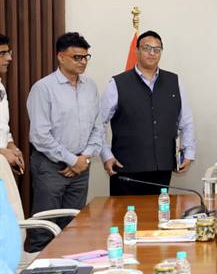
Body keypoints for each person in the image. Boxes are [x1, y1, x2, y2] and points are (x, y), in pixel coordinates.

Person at [27, 32, 103, 252]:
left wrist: (84, 159)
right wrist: (72, 160)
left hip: (81, 167)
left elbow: (98, 128)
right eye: (77, 57)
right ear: (60, 57)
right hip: (51, 167)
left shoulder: (90, 86)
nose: (82, 62)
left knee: (74, 227)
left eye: (86, 57)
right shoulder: (43, 88)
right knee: (44, 228)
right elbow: (40, 135)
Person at [101, 30, 196, 195]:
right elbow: (98, 123)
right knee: (125, 212)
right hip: (125, 169)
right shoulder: (117, 83)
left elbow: (186, 121)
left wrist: (189, 152)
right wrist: (106, 155)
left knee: (159, 211)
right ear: (136, 51)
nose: (152, 53)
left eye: (157, 49)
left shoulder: (175, 81)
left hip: (162, 168)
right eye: (147, 48)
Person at [0, 34, 24, 214]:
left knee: (10, 221)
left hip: (2, 165)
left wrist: (11, 145)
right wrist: (2, 152)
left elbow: (3, 126)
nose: (9, 58)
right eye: (2, 54)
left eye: (9, 52)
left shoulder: (1, 86)